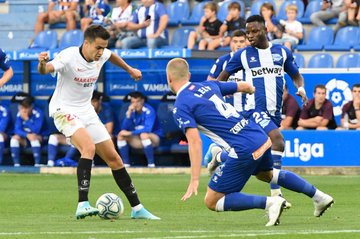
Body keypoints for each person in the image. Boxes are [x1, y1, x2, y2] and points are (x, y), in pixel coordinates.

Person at [166, 57, 334, 227]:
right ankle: (319, 197)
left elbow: (195, 142)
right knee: (267, 175)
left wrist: (194, 178)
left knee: (212, 200)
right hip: (259, 136)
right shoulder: (208, 85)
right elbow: (243, 86)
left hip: (242, 148)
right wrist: (251, 89)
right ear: (188, 74)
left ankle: (271, 203)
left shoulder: (181, 105)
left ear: (169, 79)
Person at [37, 24, 159, 220]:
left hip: (86, 111)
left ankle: (137, 209)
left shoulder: (101, 54)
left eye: (104, 47)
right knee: (88, 148)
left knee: (115, 159)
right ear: (86, 43)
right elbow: (46, 70)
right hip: (63, 109)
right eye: (98, 47)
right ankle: (82, 204)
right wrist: (42, 63)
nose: (101, 52)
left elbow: (111, 56)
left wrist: (129, 69)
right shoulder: (68, 56)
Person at [216, 15, 308, 199]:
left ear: (265, 30)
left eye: (254, 31)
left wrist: (301, 88)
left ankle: (218, 157)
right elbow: (221, 79)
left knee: (258, 154)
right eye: (248, 32)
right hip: (254, 111)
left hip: (274, 113)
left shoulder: (282, 52)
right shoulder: (242, 55)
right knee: (278, 141)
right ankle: (276, 193)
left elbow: (296, 74)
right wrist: (220, 98)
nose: (250, 36)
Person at [117, 91, 163, 168]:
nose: (135, 104)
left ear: (142, 101)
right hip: (139, 139)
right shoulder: (131, 111)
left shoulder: (149, 110)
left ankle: (151, 165)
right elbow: (124, 128)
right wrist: (128, 115)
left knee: (144, 134)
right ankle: (125, 165)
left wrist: (131, 133)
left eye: (137, 101)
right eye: (133, 102)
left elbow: (148, 129)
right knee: (121, 135)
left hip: (154, 139)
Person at [10, 97, 47, 167]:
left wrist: (26, 119)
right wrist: (26, 135)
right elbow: (17, 130)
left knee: (33, 136)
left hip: (41, 138)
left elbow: (36, 130)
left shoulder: (38, 113)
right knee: (15, 138)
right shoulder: (20, 114)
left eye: (26, 108)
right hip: (26, 139)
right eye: (22, 108)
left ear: (31, 107)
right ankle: (16, 165)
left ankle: (37, 164)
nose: (24, 110)